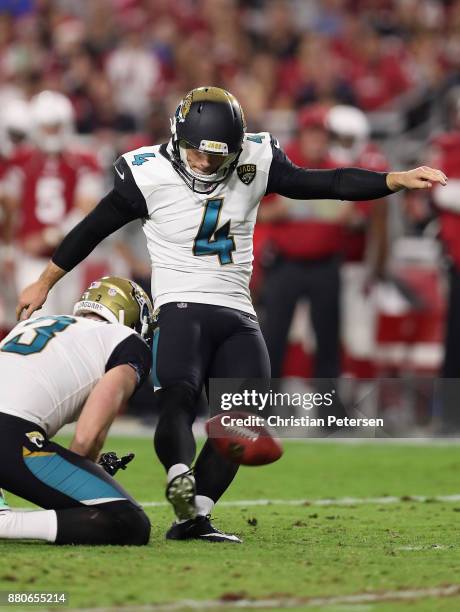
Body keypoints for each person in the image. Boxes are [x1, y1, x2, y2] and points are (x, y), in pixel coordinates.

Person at [16, 86, 447, 543]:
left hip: (238, 312)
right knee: (179, 401)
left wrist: (392, 180)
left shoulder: (255, 159)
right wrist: (46, 280)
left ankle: (193, 516)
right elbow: (92, 228)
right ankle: (178, 472)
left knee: (240, 421)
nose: (205, 163)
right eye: (197, 152)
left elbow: (328, 183)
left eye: (216, 155)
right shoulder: (147, 173)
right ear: (178, 137)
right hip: (180, 306)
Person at [0, 276, 154, 545]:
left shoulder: (35, 325)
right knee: (130, 523)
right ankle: (7, 524)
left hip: (10, 431)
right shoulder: (126, 341)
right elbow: (87, 436)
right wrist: (84, 471)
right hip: (8, 434)